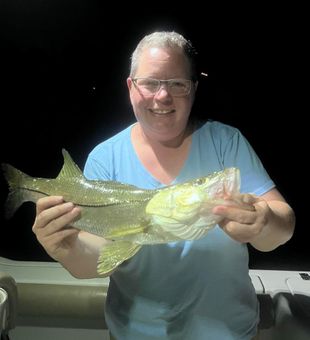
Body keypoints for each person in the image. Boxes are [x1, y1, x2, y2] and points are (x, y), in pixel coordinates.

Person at [32, 31, 295, 340]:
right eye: (151, 83)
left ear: (193, 89)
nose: (162, 96)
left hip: (231, 333)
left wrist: (263, 223)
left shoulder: (226, 143)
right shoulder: (105, 158)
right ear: (131, 88)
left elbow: (284, 224)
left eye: (177, 84)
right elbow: (97, 259)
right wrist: (66, 248)